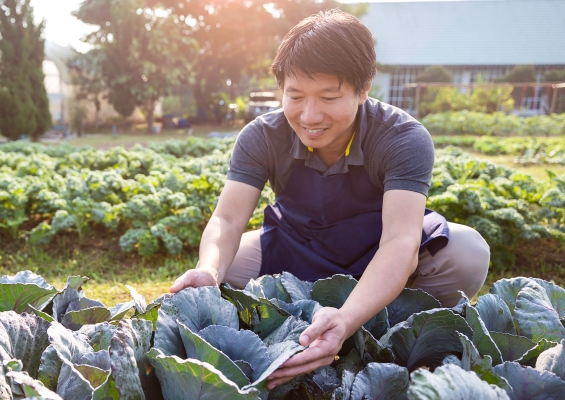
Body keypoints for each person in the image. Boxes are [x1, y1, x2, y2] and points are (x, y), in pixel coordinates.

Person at [168, 9, 490, 390]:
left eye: (329, 97)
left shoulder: (403, 137)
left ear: (364, 89)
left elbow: (400, 240)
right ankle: (318, 307)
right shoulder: (262, 136)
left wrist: (347, 319)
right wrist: (209, 268)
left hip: (379, 249)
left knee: (468, 254)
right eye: (296, 96)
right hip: (298, 244)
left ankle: (374, 312)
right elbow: (228, 219)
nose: (309, 115)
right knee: (227, 264)